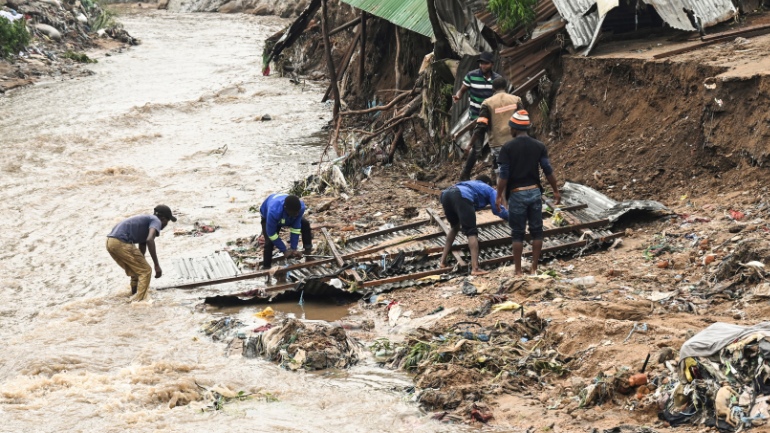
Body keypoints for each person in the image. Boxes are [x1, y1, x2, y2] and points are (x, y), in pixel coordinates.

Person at [495, 110, 561, 276]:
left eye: (511, 128)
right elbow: (547, 169)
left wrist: (498, 195)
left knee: (518, 233)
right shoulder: (539, 146)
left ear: (514, 129)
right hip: (534, 193)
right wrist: (555, 190)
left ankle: (518, 271)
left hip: (517, 194)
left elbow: (504, 175)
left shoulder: (507, 148)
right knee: (537, 231)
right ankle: (534, 269)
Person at [439, 175, 509, 276]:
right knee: (471, 232)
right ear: (488, 183)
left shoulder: (470, 183)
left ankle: (442, 262)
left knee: (454, 227)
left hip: (446, 195)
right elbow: (497, 209)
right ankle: (475, 268)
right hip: (461, 196)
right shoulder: (488, 188)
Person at [106, 205, 176, 302]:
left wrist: (141, 260)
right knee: (146, 271)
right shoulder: (156, 220)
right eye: (166, 222)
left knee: (137, 270)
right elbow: (149, 240)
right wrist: (156, 265)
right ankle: (139, 302)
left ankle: (133, 295)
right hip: (121, 242)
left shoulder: (147, 220)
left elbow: (143, 244)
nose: (165, 225)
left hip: (111, 242)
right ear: (163, 218)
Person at [460, 76, 522, 181]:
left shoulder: (487, 103)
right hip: (515, 141)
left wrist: (470, 144)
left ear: (493, 88)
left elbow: (481, 126)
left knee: (501, 173)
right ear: (506, 87)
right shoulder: (516, 100)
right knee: (517, 169)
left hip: (498, 143)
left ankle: (502, 195)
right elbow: (523, 120)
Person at [260, 193, 312, 269]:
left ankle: (308, 254)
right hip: (269, 216)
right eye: (295, 213)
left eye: (298, 212)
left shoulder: (300, 209)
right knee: (269, 243)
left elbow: (296, 228)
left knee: (305, 224)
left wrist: (293, 248)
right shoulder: (273, 211)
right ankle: (266, 267)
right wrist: (284, 250)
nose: (297, 214)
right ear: (285, 208)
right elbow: (272, 234)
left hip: (287, 216)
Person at [452, 51, 502, 121]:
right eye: (481, 63)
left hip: (492, 119)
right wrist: (458, 96)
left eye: (486, 63)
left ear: (492, 64)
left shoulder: (498, 79)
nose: (483, 66)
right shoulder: (471, 76)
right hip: (475, 119)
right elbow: (461, 91)